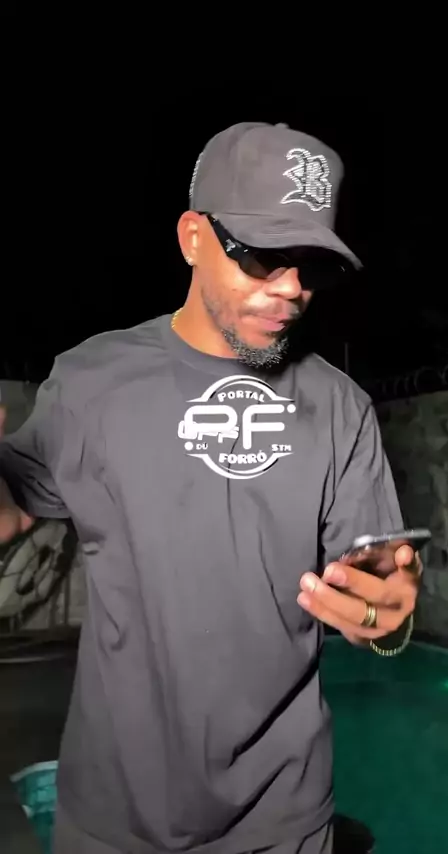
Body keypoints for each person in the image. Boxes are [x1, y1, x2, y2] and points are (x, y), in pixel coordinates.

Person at [0, 122, 421, 854]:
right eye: (261, 255)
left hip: (283, 823)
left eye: (312, 266)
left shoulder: (340, 408)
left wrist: (389, 621)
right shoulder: (91, 383)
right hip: (112, 820)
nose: (290, 289)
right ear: (192, 237)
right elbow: (12, 508)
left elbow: (379, 593)